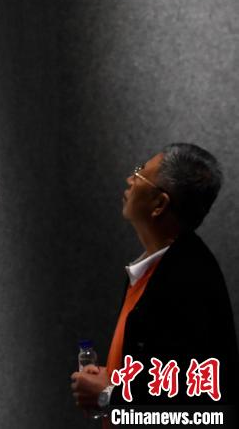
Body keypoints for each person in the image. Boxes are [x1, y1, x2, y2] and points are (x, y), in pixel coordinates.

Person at [71, 143, 239, 412]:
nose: (130, 179)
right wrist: (117, 376)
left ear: (159, 204)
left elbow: (190, 405)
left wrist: (109, 395)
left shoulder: (187, 282)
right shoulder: (163, 267)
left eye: (139, 174)